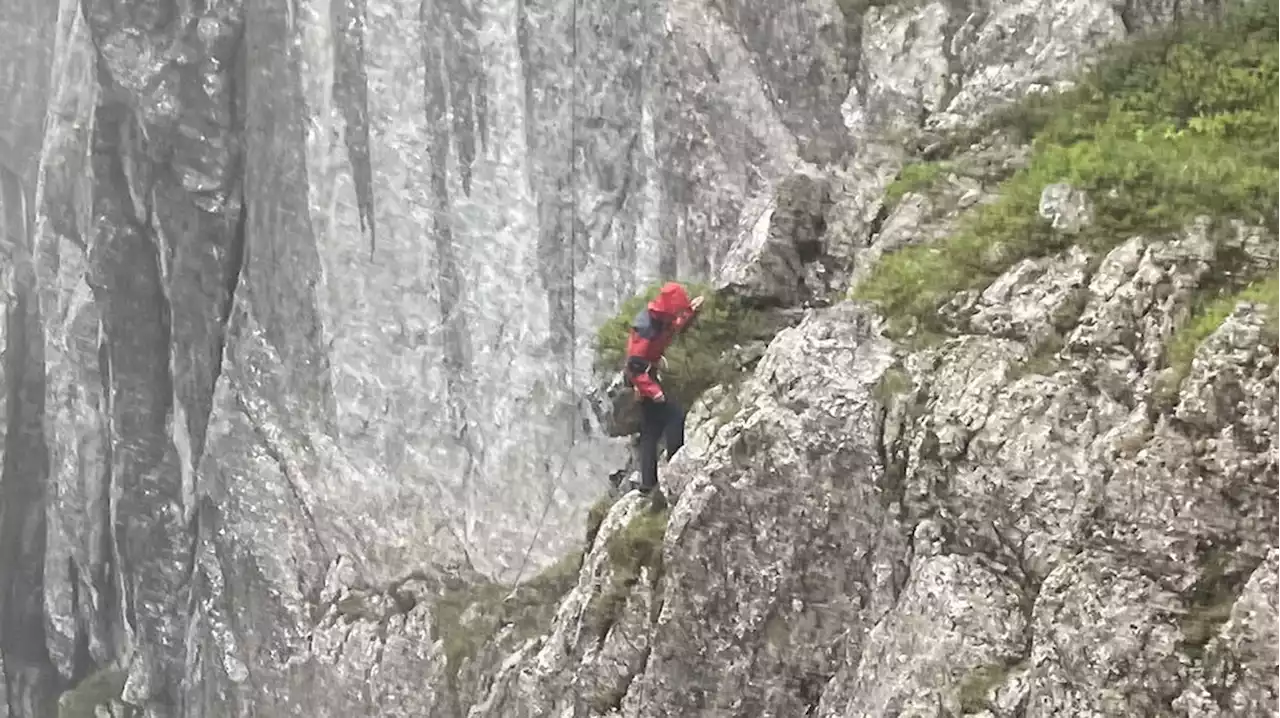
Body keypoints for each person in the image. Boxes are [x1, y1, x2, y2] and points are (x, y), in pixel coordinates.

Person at [622, 281, 705, 500]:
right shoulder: (647, 329)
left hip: (647, 377)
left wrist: (690, 311)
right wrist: (653, 391)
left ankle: (648, 484)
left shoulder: (660, 319)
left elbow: (675, 324)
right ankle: (676, 467)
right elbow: (634, 367)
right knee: (674, 416)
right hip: (644, 380)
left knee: (651, 429)